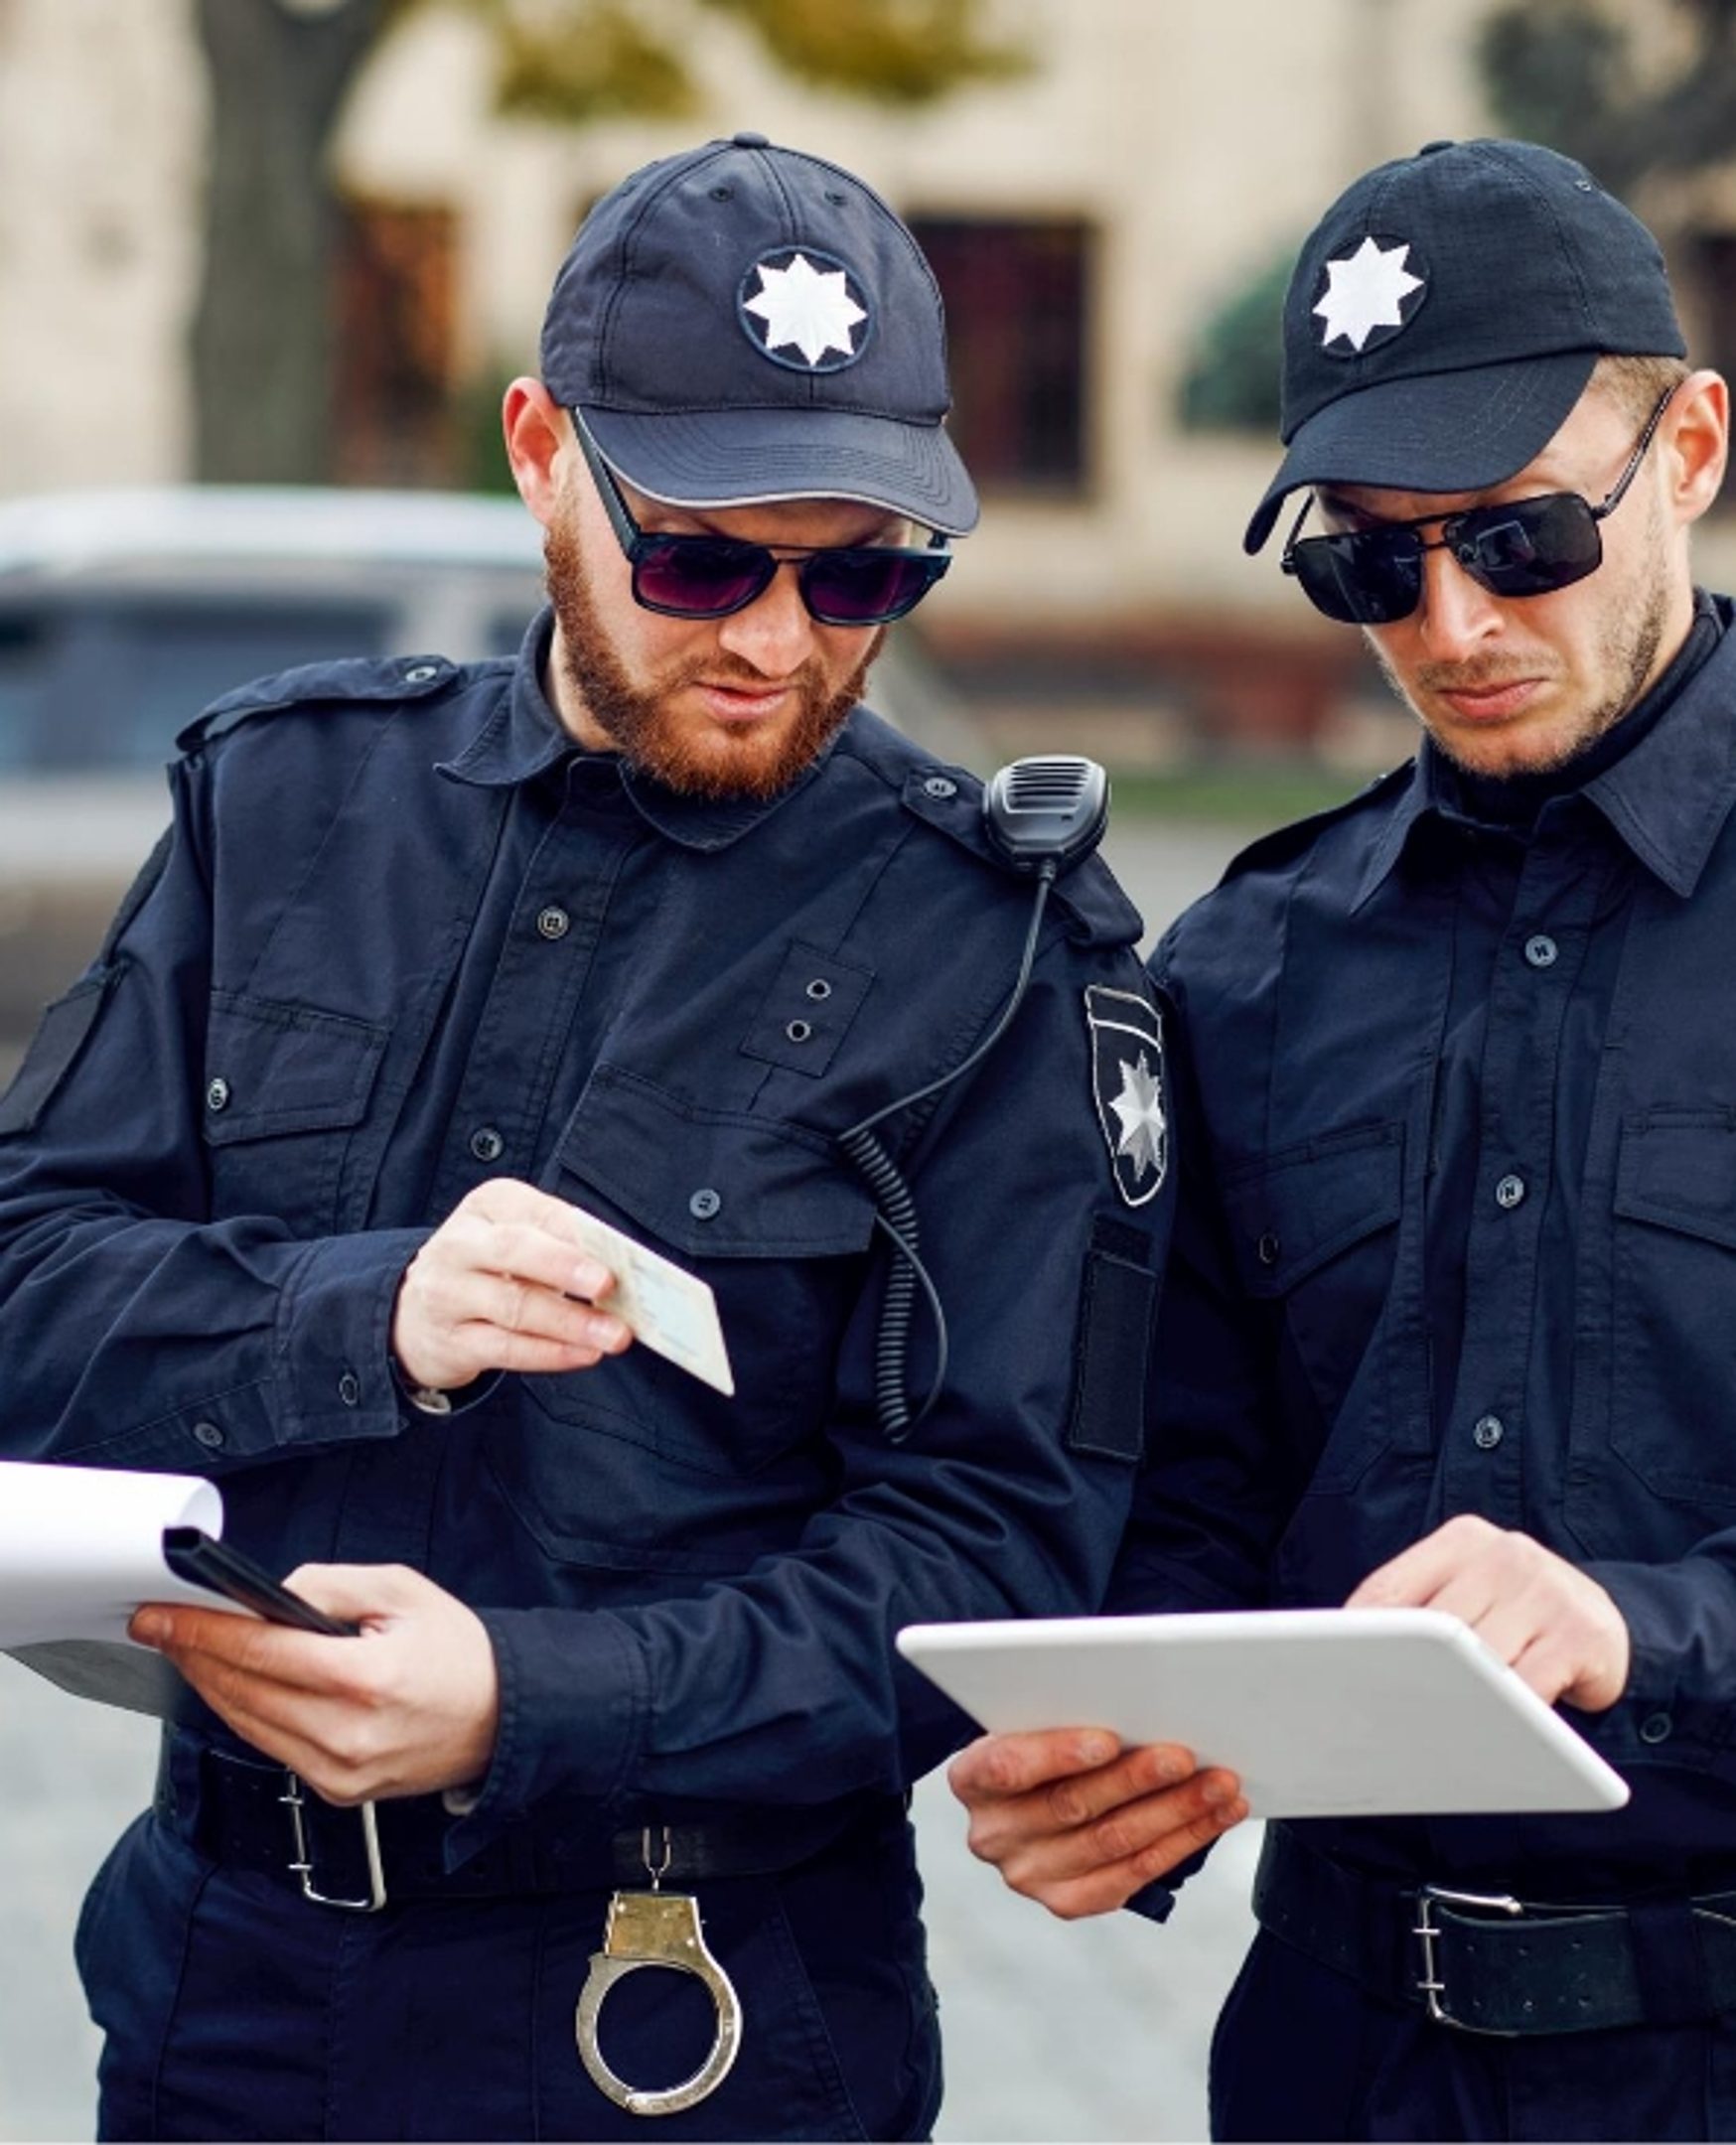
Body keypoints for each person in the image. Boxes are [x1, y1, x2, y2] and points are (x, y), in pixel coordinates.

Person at [0, 134, 1167, 2142]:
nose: (779, 641)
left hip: (687, 2019)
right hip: (225, 1988)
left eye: (864, 574)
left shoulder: (1000, 948)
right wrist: (360, 1312)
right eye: (704, 558)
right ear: (543, 450)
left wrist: (524, 1707)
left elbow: (991, 1567)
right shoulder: (283, 808)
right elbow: (27, 1280)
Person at [948, 137, 1736, 2141]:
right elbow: (1203, 1485)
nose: (1449, 623)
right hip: (1340, 2056)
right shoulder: (1253, 965)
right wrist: (1136, 1743)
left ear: (1696, 450)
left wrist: (1640, 1622)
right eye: (1366, 563)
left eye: (1517, 539)